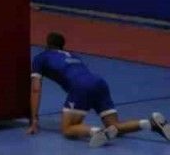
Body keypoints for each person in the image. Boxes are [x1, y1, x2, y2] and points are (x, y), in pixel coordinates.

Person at [27, 32, 168, 147]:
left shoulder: (41, 58)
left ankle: (97, 132)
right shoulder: (73, 56)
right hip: (99, 83)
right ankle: (150, 124)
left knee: (68, 129)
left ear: (47, 45)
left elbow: (35, 89)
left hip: (81, 87)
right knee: (114, 126)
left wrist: (34, 120)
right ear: (62, 46)